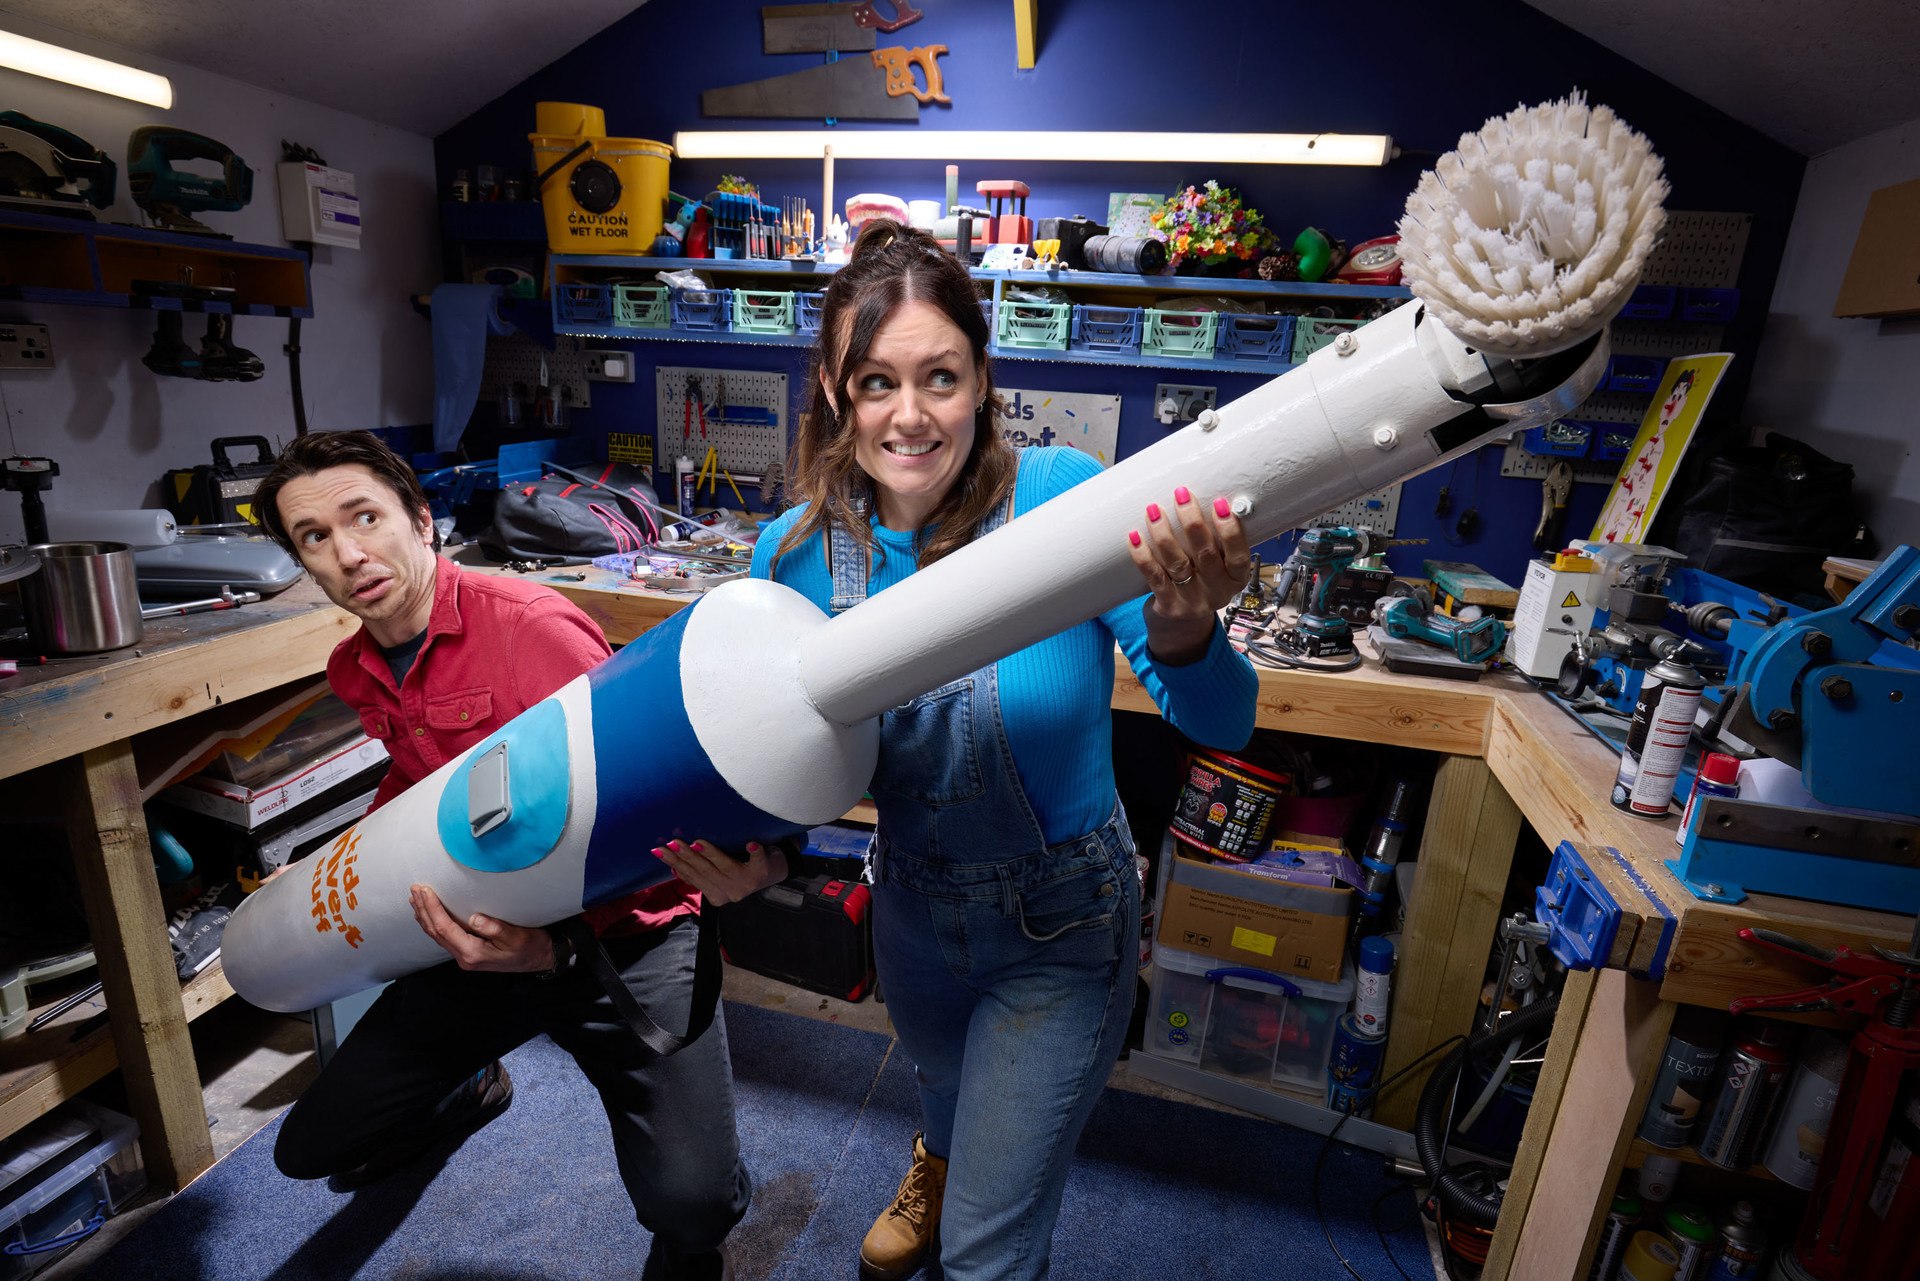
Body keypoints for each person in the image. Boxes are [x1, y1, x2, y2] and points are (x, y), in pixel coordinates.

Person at [657, 220, 1259, 1281]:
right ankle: (940, 1149)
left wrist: (1182, 629)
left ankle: (965, 1185)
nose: (910, 413)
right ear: (839, 392)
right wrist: (768, 857)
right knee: (941, 1086)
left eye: (939, 376)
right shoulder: (794, 553)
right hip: (912, 913)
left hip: (1061, 924)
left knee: (987, 1253)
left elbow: (1224, 723)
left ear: (983, 376)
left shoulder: (1068, 499)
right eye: (877, 381)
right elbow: (791, 764)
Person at [253, 430, 749, 1281]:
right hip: (487, 942)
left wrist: (556, 950)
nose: (348, 553)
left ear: (420, 519)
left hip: (622, 937)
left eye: (364, 517)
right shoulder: (359, 668)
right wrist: (331, 868)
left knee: (693, 1207)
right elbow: (416, 787)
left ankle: (695, 1222)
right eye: (314, 538)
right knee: (313, 1147)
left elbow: (648, 833)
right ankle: (474, 1083)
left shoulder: (533, 632)